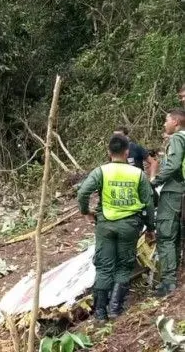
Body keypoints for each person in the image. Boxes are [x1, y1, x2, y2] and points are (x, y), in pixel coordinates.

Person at [78, 135, 155, 322]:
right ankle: (115, 309)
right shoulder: (137, 174)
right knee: (124, 266)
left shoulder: (101, 172)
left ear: (109, 152)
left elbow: (82, 192)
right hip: (129, 225)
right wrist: (151, 227)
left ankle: (100, 313)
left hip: (105, 225)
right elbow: (148, 203)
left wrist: (86, 211)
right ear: (127, 152)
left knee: (104, 268)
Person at [150, 109, 185, 296]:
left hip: (173, 191)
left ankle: (168, 282)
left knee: (165, 235)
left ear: (176, 123)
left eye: (166, 120)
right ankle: (173, 278)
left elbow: (172, 165)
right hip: (182, 191)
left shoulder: (177, 138)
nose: (164, 124)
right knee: (177, 235)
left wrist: (154, 182)